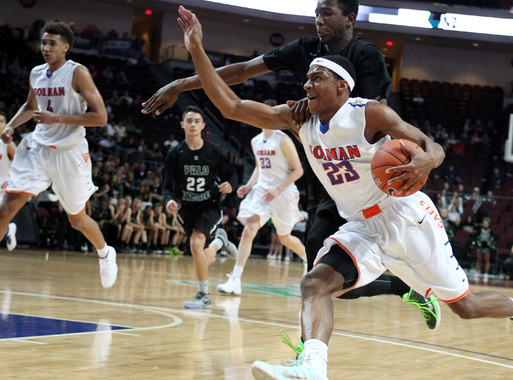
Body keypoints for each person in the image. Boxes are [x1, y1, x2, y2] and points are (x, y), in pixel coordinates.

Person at [177, 7, 513, 380]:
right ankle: (313, 374)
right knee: (314, 283)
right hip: (361, 225)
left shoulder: (369, 114)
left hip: (407, 217)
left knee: (466, 306)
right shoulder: (298, 120)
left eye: (316, 78)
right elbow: (232, 107)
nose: (307, 85)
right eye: (306, 78)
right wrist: (198, 49)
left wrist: (430, 159)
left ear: (342, 86)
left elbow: (431, 146)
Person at [142, 0, 439, 328]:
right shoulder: (304, 50)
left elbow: (366, 112)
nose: (318, 21)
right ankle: (405, 288)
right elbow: (240, 75)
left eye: (327, 14)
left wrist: (312, 106)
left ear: (350, 18)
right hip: (326, 177)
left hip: (365, 178)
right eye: (316, 14)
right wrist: (181, 83)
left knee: (321, 279)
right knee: (322, 280)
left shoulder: (365, 57)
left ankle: (307, 354)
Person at [0, 22, 117, 288]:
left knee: (77, 220)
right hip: (38, 149)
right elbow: (31, 106)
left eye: (52, 43)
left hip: (70, 153)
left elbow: (100, 118)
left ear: (66, 46)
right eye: (43, 42)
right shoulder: (37, 73)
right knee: (6, 208)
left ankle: (105, 253)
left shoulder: (78, 73)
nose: (46, 48)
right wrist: (11, 125)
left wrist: (57, 118)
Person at [218, 103, 307, 295]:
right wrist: (248, 186)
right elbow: (260, 168)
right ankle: (235, 279)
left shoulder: (283, 139)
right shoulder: (256, 141)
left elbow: (298, 170)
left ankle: (309, 260)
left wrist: (277, 188)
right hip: (262, 191)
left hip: (283, 193)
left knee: (285, 238)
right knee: (249, 230)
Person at [162, 106, 238, 309]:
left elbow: (232, 173)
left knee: (196, 243)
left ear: (203, 125)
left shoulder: (214, 152)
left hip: (209, 205)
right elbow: (167, 185)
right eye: (189, 120)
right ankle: (220, 243)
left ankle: (203, 296)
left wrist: (231, 185)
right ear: (182, 125)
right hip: (186, 208)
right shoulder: (175, 153)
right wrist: (169, 201)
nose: (193, 124)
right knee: (199, 250)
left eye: (197, 120)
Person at [0, 111, 18, 251]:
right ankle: (8, 230)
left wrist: (13, 181)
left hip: (3, 188)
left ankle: (7, 230)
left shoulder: (8, 145)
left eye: (2, 121)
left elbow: (21, 165)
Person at [472, 217, 496, 281]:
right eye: (484, 223)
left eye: (486, 223)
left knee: (487, 261)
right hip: (480, 247)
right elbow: (476, 237)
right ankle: (478, 272)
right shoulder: (479, 230)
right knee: (479, 260)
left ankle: (486, 274)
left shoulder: (490, 231)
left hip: (487, 248)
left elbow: (493, 239)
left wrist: (489, 244)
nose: (485, 224)